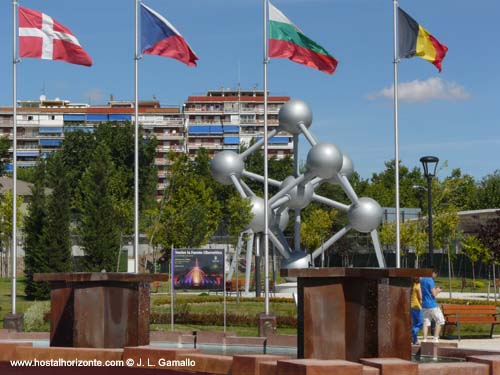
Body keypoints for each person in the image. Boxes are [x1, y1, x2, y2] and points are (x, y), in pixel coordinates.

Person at [420, 269, 444, 342]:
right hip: (432, 304)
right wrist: (438, 290)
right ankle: (435, 338)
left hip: (424, 304)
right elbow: (434, 294)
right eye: (436, 274)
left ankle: (424, 339)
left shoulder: (422, 280)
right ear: (433, 273)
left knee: (426, 322)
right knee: (440, 320)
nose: (435, 276)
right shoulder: (430, 280)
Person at [410, 277, 423, 344]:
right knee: (421, 323)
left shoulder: (411, 284)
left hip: (411, 306)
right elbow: (420, 297)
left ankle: (415, 340)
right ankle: (412, 331)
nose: (422, 278)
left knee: (415, 323)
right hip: (417, 306)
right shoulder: (418, 285)